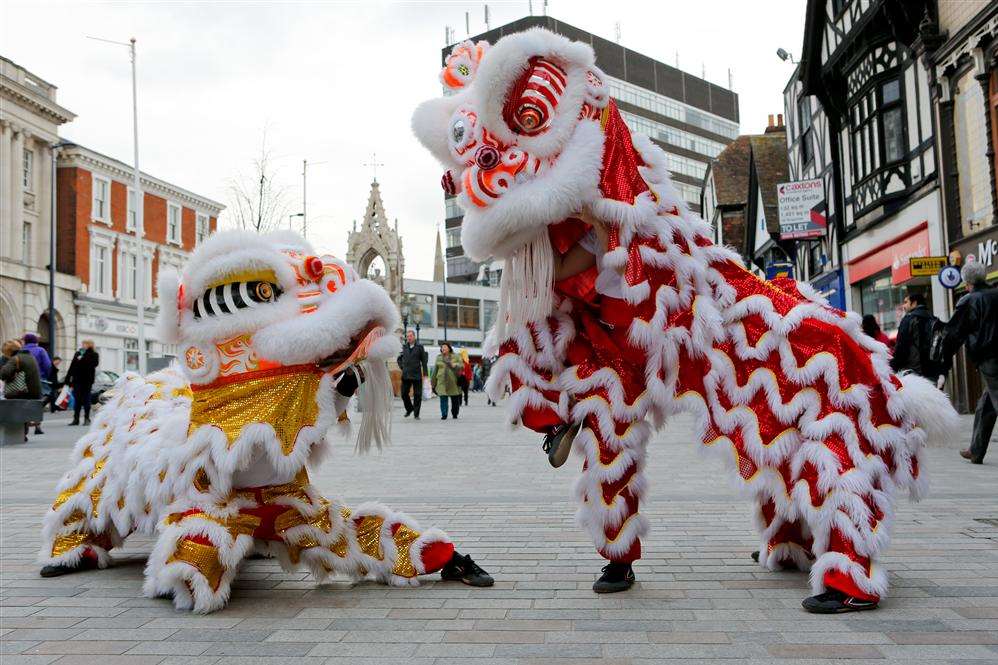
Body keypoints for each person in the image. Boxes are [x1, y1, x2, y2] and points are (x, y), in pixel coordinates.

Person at [941, 261, 998, 464]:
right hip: (991, 355)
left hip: (990, 356)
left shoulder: (969, 301)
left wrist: (944, 361)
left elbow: (953, 333)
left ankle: (976, 449)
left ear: (966, 282)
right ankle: (976, 449)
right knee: (986, 403)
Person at [890, 291, 943, 384]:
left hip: (914, 372)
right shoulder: (933, 319)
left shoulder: (909, 319)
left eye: (906, 302)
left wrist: (893, 367)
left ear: (914, 303)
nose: (903, 306)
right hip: (933, 370)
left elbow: (901, 347)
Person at [1, 340, 43, 441]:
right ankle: (23, 432)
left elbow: (3, 374)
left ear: (8, 351)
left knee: (6, 399)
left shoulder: (15, 359)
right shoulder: (30, 357)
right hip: (34, 392)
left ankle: (17, 432)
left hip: (23, 391)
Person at [65, 340, 99, 426]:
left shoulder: (94, 354)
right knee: (77, 400)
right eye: (82, 344)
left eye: (85, 344)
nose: (82, 345)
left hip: (87, 381)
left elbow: (94, 364)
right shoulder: (77, 353)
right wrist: (68, 379)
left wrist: (84, 356)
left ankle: (87, 418)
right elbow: (72, 366)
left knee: (86, 399)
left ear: (89, 345)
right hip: (77, 381)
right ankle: (76, 419)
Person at [397, 329, 427, 419]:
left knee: (417, 395)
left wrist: (425, 373)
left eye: (410, 336)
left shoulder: (420, 347)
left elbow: (424, 361)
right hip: (406, 374)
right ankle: (409, 409)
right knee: (403, 394)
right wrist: (402, 367)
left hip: (416, 374)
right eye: (408, 336)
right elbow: (399, 359)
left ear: (414, 337)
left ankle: (416, 414)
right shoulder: (404, 347)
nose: (409, 338)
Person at [431, 342, 463, 420]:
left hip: (453, 381)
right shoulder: (439, 357)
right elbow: (435, 370)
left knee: (454, 398)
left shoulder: (456, 356)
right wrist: (433, 382)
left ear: (449, 348)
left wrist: (454, 364)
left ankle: (455, 413)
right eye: (442, 347)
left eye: (445, 347)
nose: (443, 348)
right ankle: (444, 414)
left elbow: (461, 365)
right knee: (443, 397)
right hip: (441, 381)